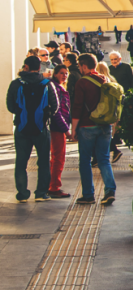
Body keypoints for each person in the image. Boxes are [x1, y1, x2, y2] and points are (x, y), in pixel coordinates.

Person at [6, 56, 59, 202]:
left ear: (26, 67)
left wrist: (21, 113)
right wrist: (44, 117)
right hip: (41, 128)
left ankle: (22, 194)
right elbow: (55, 106)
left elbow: (10, 106)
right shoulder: (47, 84)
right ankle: (41, 193)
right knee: (43, 161)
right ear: (39, 67)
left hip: (22, 128)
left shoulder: (16, 84)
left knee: (21, 162)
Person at [70, 54, 116, 206]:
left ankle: (88, 195)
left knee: (85, 161)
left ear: (83, 66)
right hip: (105, 126)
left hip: (87, 126)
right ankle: (110, 190)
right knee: (103, 159)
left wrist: (73, 128)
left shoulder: (82, 83)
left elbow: (77, 106)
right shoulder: (105, 79)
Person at [47, 65, 71, 199]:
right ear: (55, 74)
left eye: (66, 73)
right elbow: (57, 112)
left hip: (53, 127)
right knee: (58, 158)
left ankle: (50, 184)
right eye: (62, 73)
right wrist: (66, 130)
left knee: (54, 158)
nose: (64, 75)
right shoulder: (56, 88)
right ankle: (54, 187)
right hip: (56, 128)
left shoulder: (55, 87)